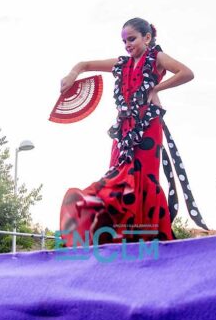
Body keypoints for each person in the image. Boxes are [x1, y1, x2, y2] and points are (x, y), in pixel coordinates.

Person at [60, 17, 207, 246]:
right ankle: (114, 235)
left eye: (132, 39)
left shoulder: (156, 57)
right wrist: (72, 75)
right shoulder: (122, 63)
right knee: (118, 176)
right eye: (124, 41)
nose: (127, 44)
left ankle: (144, 239)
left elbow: (186, 73)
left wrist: (156, 88)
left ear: (147, 37)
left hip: (148, 126)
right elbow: (84, 64)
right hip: (124, 129)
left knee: (143, 180)